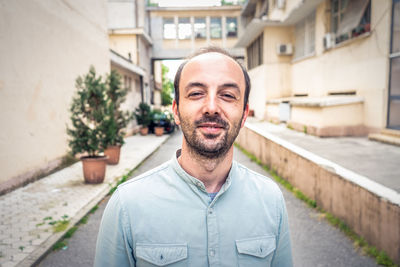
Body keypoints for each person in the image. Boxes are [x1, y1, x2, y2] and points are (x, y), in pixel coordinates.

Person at [94, 46, 293, 266]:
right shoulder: (127, 206)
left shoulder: (270, 201)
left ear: (245, 114)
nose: (211, 108)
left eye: (227, 95)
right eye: (196, 93)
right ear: (176, 111)